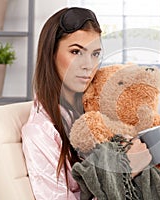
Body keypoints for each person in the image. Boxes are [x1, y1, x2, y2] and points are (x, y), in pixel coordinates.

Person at [21, 7, 152, 200]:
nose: (88, 65)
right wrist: (124, 172)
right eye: (76, 51)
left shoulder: (94, 109)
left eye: (95, 54)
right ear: (51, 53)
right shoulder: (40, 132)